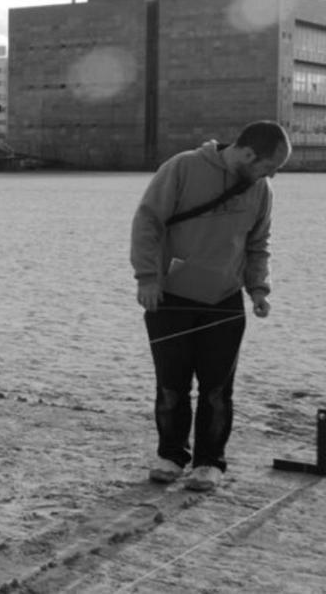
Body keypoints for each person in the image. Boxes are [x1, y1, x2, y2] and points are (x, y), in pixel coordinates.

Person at [130, 120, 292, 492]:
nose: (271, 176)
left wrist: (259, 289)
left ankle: (209, 462)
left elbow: (258, 243)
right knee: (171, 386)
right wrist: (147, 278)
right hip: (169, 297)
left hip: (225, 300)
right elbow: (148, 222)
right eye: (269, 167)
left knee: (217, 389)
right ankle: (171, 455)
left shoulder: (261, 190)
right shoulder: (183, 167)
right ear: (248, 154)